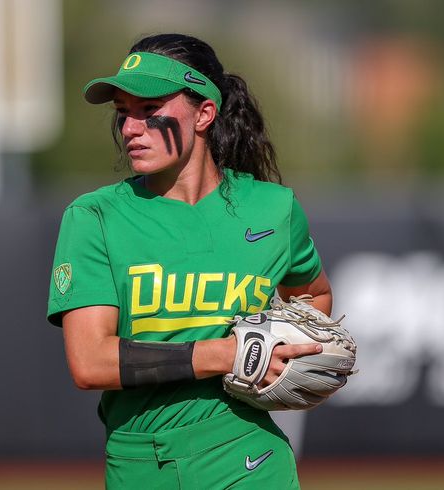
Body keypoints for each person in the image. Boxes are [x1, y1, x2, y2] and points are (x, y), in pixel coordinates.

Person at [47, 33, 333, 489]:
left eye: (149, 109)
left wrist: (288, 350)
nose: (129, 129)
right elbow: (89, 362)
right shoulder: (94, 217)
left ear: (204, 113)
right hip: (140, 461)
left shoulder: (273, 210)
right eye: (124, 112)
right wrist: (230, 354)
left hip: (248, 453)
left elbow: (314, 294)